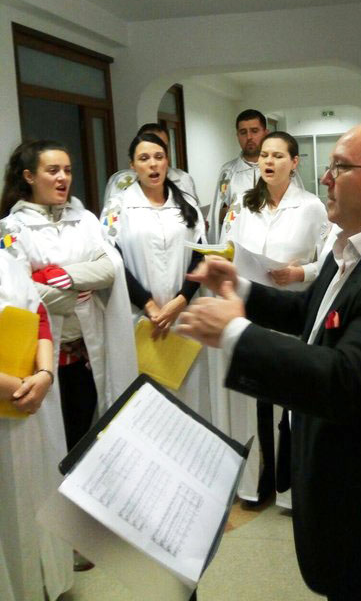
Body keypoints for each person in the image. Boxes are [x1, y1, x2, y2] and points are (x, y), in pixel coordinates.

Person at [178, 123, 361, 601]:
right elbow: (310, 313)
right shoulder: (350, 246)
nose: (326, 178)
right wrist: (240, 289)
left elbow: (346, 379)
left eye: (340, 167)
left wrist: (235, 334)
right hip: (331, 475)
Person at [0, 140, 137, 452]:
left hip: (86, 351)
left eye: (67, 170)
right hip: (44, 356)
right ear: (29, 176)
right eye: (53, 171)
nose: (63, 177)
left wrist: (57, 276)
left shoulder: (84, 219)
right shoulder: (11, 229)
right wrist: (81, 291)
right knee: (52, 441)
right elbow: (21, 296)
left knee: (88, 432)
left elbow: (109, 269)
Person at [217, 131, 329, 505]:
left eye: (278, 156)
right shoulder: (243, 205)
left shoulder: (312, 207)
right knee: (254, 398)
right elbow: (228, 249)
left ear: (294, 163)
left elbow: (329, 260)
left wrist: (301, 272)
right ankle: (256, 480)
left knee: (286, 399)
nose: (268, 161)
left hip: (290, 310)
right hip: (251, 309)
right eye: (264, 155)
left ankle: (288, 488)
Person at [101, 132, 210, 418]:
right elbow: (114, 263)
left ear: (167, 162)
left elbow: (201, 256)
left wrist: (180, 301)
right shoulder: (117, 207)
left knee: (187, 401)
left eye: (159, 157)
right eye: (144, 158)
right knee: (144, 403)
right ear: (132, 165)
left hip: (182, 316)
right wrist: (149, 306)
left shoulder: (186, 204)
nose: (153, 164)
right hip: (138, 318)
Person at [0, 250, 73, 601]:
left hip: (30, 402)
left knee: (33, 493)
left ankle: (41, 582)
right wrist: (17, 388)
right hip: (19, 395)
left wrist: (44, 374)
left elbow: (39, 315)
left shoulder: (7, 260)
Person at [206, 109, 269, 242]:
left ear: (265, 133)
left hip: (273, 243)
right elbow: (217, 214)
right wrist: (230, 211)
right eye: (243, 132)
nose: (249, 137)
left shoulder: (279, 168)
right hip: (238, 244)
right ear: (237, 136)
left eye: (254, 131)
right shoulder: (227, 172)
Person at [103, 122, 200, 207]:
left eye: (161, 147)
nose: (153, 163)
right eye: (144, 157)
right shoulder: (120, 181)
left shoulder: (183, 179)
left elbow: (195, 213)